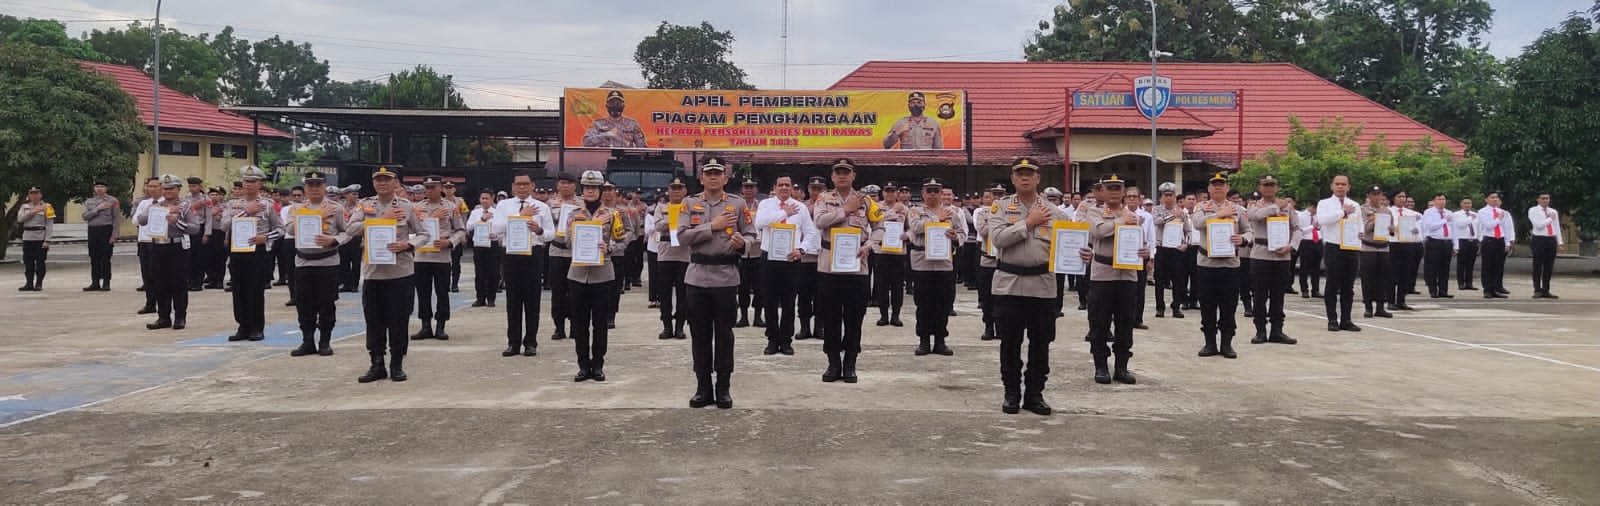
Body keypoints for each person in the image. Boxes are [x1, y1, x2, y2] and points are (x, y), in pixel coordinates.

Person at [987, 157, 1072, 415]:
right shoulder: (999, 208)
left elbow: (1067, 243)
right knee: (1010, 343)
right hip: (1009, 285)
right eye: (1019, 173)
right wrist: (1029, 223)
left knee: (1040, 344)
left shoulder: (1054, 212)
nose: (1025, 177)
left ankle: (1035, 394)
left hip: (1042, 286)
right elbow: (999, 239)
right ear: (1012, 179)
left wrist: (1080, 254)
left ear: (1038, 178)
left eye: (1030, 173)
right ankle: (1011, 392)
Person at [678, 158, 755, 408]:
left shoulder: (737, 203)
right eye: (708, 173)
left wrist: (744, 243)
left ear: (725, 178)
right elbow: (681, 236)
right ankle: (702, 387)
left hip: (726, 276)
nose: (713, 177)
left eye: (717, 173)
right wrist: (713, 226)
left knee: (724, 335)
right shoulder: (689, 203)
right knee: (699, 335)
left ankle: (723, 387)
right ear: (701, 178)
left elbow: (752, 234)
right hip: (698, 276)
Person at [346, 167, 429, 382]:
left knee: (399, 320)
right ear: (373, 183)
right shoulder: (365, 205)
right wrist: (383, 217)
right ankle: (377, 363)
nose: (382, 183)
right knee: (374, 321)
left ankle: (397, 364)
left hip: (400, 273)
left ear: (395, 183)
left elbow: (424, 234)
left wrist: (408, 244)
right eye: (378, 180)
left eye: (387, 180)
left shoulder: (406, 206)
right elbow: (350, 229)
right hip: (374, 274)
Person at [812, 158, 882, 384]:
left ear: (853, 176)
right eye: (838, 172)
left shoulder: (866, 201)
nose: (842, 176)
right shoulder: (824, 198)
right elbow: (820, 222)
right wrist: (845, 210)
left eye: (846, 172)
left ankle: (850, 362)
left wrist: (869, 245)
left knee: (854, 318)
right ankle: (833, 363)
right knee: (830, 317)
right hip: (829, 267)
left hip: (857, 267)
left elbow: (880, 227)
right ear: (832, 177)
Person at [1085, 174, 1149, 384]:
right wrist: (1121, 221)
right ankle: (1101, 365)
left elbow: (1141, 239)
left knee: (1125, 322)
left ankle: (1122, 366)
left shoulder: (1135, 216)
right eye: (1109, 188)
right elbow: (1099, 231)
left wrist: (1143, 251)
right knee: (1099, 322)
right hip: (1103, 273)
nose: (1113, 192)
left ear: (1123, 191)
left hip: (1128, 274)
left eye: (1117, 188)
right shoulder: (1094, 211)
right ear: (1101, 191)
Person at [565, 171, 627, 382]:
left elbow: (624, 241)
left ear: (601, 191)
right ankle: (583, 365)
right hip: (578, 275)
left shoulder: (614, 215)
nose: (590, 191)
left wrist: (608, 246)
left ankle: (598, 364)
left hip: (603, 275)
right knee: (580, 323)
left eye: (594, 187)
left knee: (600, 323)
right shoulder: (574, 214)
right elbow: (566, 242)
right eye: (587, 187)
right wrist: (587, 230)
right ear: (582, 190)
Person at [1189, 172, 1251, 358]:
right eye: (1214, 184)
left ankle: (1226, 343)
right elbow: (1198, 223)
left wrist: (1243, 239)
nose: (1217, 187)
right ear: (1209, 188)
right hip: (1207, 263)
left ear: (1227, 187)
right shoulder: (1202, 207)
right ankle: (1209, 343)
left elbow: (1249, 231)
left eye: (1221, 184)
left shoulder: (1238, 209)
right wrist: (1218, 215)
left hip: (1230, 264)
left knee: (1228, 305)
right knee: (1207, 305)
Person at [753, 174, 816, 356]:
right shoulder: (766, 204)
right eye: (780, 185)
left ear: (792, 188)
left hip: (791, 259)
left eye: (787, 185)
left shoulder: (801, 208)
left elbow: (810, 232)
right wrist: (784, 213)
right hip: (769, 258)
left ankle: (786, 340)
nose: (784, 188)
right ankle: (772, 340)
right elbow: (760, 223)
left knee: (789, 302)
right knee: (769, 301)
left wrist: (802, 249)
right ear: (774, 187)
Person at [284, 171, 346, 356]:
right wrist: (316, 215)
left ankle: (325, 341)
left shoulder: (336, 208)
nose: (314, 188)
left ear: (324, 187)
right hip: (303, 262)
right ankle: (307, 341)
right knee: (304, 304)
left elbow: (346, 232)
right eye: (310, 185)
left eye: (318, 184)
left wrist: (333, 240)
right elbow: (289, 230)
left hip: (327, 262)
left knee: (326, 303)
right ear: (305, 188)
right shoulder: (296, 209)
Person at [494, 172, 556, 356]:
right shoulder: (504, 205)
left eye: (525, 184)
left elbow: (551, 233)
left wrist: (539, 230)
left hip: (533, 253)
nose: (522, 187)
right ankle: (513, 342)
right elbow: (496, 229)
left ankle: (531, 342)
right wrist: (521, 216)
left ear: (532, 186)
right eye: (518, 184)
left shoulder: (541, 207)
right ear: (513, 187)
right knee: (513, 300)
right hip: (511, 253)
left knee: (532, 300)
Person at [906, 177, 966, 356]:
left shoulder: (951, 213)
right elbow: (915, 228)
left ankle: (940, 340)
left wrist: (955, 237)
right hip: (922, 262)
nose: (932, 194)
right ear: (923, 193)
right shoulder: (915, 211)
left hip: (944, 263)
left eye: (936, 191)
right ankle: (924, 340)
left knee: (943, 303)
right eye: (929, 191)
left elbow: (962, 233)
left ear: (941, 194)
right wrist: (935, 218)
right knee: (923, 304)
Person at [224, 166, 285, 342]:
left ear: (260, 184)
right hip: (238, 250)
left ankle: (257, 327)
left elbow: (280, 229)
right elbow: (224, 226)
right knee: (238, 289)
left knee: (255, 290)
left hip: (258, 251)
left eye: (253, 181)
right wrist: (246, 212)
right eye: (246, 181)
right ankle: (242, 326)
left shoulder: (267, 205)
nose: (249, 184)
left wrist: (265, 237)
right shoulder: (233, 204)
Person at [134, 175, 197, 328]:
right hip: (157, 246)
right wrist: (153, 210)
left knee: (178, 283)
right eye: (165, 188)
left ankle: (180, 317)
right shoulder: (156, 204)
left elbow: (194, 228)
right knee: (159, 283)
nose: (168, 191)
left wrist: (177, 221)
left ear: (178, 189)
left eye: (171, 188)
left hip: (176, 246)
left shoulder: (185, 206)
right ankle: (163, 317)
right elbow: (141, 220)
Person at [1246, 175, 1302, 344]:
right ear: (1260, 187)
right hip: (1261, 254)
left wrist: (1291, 246)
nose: (1269, 188)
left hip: (1282, 255)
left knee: (1278, 294)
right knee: (1260, 294)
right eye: (1266, 185)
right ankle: (1260, 330)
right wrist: (1275, 207)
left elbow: (1297, 229)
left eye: (1272, 185)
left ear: (1277, 187)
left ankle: (1277, 330)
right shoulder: (1254, 206)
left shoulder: (1288, 208)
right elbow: (1255, 217)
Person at [409, 176, 466, 340]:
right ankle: (425, 325)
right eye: (426, 187)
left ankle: (441, 325)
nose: (429, 190)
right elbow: (412, 230)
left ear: (440, 188)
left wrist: (449, 242)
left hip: (441, 256)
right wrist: (433, 216)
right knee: (423, 292)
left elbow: (460, 230)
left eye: (433, 187)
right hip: (421, 256)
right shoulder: (417, 208)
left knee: (442, 292)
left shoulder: (451, 207)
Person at [1315, 176, 1363, 332]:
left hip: (1351, 247)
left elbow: (1359, 225)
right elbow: (1322, 220)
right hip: (1334, 246)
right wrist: (1342, 212)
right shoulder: (1325, 203)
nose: (1340, 187)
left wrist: (1360, 237)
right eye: (1337, 184)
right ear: (1332, 186)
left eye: (1343, 184)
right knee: (1332, 284)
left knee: (1348, 286)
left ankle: (1346, 319)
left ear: (1348, 187)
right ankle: (1332, 319)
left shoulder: (1355, 205)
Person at [546, 173, 584, 341]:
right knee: (558, 291)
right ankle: (559, 326)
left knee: (576, 291)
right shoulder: (549, 204)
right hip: (556, 250)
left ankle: (575, 326)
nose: (566, 186)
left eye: (569, 183)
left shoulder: (582, 204)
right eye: (563, 183)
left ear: (574, 186)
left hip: (575, 252)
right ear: (557, 185)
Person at [651, 179, 691, 340]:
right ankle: (667, 326)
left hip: (684, 254)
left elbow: (693, 226)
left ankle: (680, 326)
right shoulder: (661, 207)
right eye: (673, 188)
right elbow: (658, 226)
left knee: (683, 294)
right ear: (668, 190)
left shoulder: (689, 207)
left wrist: (675, 221)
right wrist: (676, 219)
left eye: (679, 188)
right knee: (665, 293)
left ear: (685, 191)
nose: (676, 191)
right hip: (665, 254)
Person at [793, 176, 828, 342]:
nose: (816, 192)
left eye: (820, 189)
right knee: (804, 295)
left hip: (822, 256)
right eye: (814, 189)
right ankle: (805, 326)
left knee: (821, 295)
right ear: (808, 189)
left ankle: (819, 326)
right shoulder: (801, 207)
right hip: (805, 257)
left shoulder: (828, 207)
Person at [872, 181, 910, 327]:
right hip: (881, 251)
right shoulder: (876, 208)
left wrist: (906, 235)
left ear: (897, 193)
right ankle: (883, 315)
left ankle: (895, 315)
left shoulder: (905, 210)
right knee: (881, 285)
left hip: (898, 252)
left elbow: (911, 228)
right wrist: (893, 211)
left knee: (897, 285)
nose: (890, 194)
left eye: (892, 191)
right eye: (887, 191)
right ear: (883, 193)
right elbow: (875, 224)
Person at [1151, 183, 1190, 319]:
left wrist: (1185, 244)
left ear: (1174, 196)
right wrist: (1172, 216)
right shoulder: (1156, 209)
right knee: (1159, 279)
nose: (1168, 198)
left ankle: (1176, 306)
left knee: (1178, 280)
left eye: (1171, 195)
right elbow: (1156, 222)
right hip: (1161, 248)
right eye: (1165, 195)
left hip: (1176, 249)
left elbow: (1188, 231)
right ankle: (1160, 307)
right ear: (1161, 197)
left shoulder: (1182, 212)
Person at [1359, 186, 1396, 320]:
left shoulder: (1386, 211)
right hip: (1368, 246)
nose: (1376, 197)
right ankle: (1368, 306)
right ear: (1368, 195)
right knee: (1368, 278)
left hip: (1383, 246)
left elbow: (1391, 229)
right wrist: (1373, 221)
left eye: (1379, 194)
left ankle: (1380, 307)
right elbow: (1362, 228)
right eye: (1373, 194)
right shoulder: (1362, 210)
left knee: (1383, 278)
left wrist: (1392, 228)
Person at [974, 185, 1005, 340]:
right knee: (987, 297)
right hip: (987, 260)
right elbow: (983, 231)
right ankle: (988, 326)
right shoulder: (983, 213)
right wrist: (997, 219)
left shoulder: (1011, 212)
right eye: (995, 194)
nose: (998, 197)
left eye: (1001, 194)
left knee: (1002, 298)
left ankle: (1000, 327)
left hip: (1004, 261)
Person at [736, 178, 765, 328]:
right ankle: (743, 317)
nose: (748, 190)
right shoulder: (737, 206)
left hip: (758, 252)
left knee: (759, 287)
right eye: (746, 187)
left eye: (751, 187)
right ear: (742, 189)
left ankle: (758, 317)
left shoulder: (761, 206)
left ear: (756, 189)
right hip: (742, 252)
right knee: (742, 287)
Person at [467, 189, 503, 309]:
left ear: (492, 199)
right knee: (479, 272)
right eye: (482, 198)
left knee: (493, 272)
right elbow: (469, 227)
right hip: (479, 244)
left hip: (493, 244)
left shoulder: (498, 212)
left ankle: (491, 298)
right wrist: (482, 219)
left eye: (487, 198)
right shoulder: (475, 212)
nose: (484, 201)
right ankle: (480, 298)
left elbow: (503, 228)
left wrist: (497, 235)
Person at [81, 182, 119, 291]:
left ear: (106, 188)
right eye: (97, 186)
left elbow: (116, 218)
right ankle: (95, 282)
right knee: (94, 257)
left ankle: (106, 283)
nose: (99, 189)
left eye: (102, 186)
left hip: (106, 230)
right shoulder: (89, 201)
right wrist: (98, 208)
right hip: (93, 230)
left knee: (106, 258)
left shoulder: (113, 201)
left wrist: (114, 235)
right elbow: (85, 216)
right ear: (94, 188)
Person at [1420, 194, 1460, 299]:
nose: (1441, 201)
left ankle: (1443, 290)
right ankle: (1433, 290)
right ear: (1434, 201)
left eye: (1443, 199)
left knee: (1445, 268)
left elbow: (1454, 229)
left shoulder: (1449, 213)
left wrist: (1455, 245)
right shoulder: (1428, 212)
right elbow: (1430, 227)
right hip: (1434, 241)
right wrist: (1444, 220)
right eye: (1439, 199)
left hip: (1447, 242)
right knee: (1432, 267)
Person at [1476, 192, 1515, 298]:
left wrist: (1507, 242)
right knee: (1487, 266)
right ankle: (1487, 290)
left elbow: (1505, 228)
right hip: (1489, 239)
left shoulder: (1501, 212)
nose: (1495, 199)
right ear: (1486, 199)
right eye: (1492, 197)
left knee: (1497, 266)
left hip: (1500, 239)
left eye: (1496, 197)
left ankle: (1495, 289)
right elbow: (1489, 225)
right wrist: (1498, 218)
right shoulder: (1482, 212)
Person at [16, 187, 55, 291]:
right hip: (28, 237)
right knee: (28, 262)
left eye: (36, 193)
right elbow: (20, 219)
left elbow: (49, 224)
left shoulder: (47, 206)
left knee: (40, 262)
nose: (34, 196)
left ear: (40, 195)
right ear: (29, 195)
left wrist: (47, 240)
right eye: (32, 194)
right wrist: (32, 212)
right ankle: (29, 283)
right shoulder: (24, 207)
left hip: (40, 237)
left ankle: (38, 283)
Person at [1390, 193, 1423, 311]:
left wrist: (1415, 230)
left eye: (1403, 197)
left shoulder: (1411, 213)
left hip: (1408, 243)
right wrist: (1396, 228)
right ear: (1393, 198)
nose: (1402, 199)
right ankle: (1390, 300)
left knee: (1405, 273)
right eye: (1399, 196)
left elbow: (1417, 227)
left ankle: (1401, 300)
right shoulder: (1388, 211)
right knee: (1393, 274)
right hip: (1393, 243)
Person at [581, 89, 647, 148]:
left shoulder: (632, 124)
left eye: (618, 103)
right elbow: (586, 142)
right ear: (607, 106)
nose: (615, 105)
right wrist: (605, 135)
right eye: (612, 103)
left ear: (623, 106)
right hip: (605, 159)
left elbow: (642, 146)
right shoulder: (597, 124)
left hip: (625, 159)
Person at [1528, 193, 1564, 299]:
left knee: (1549, 266)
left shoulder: (1553, 212)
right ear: (1538, 199)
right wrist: (1549, 219)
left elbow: (1556, 227)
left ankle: (1546, 289)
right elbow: (1538, 225)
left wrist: (1559, 242)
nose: (1545, 200)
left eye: (1547, 198)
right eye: (1543, 198)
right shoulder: (1533, 210)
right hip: (1539, 239)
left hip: (1551, 239)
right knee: (1537, 265)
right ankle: (1537, 289)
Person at [134, 177, 160, 311]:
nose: (152, 189)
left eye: (155, 186)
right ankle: (150, 303)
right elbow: (135, 221)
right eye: (150, 186)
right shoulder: (144, 203)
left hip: (157, 241)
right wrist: (148, 210)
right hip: (144, 240)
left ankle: (161, 303)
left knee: (157, 273)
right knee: (147, 274)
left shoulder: (165, 203)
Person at [444, 181, 469, 292]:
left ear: (454, 189)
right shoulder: (441, 202)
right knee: (445, 262)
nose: (448, 190)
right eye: (446, 187)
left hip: (456, 234)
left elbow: (464, 217)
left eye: (450, 187)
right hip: (445, 235)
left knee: (456, 261)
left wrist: (463, 234)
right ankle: (446, 283)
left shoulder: (460, 201)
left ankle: (455, 284)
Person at [338, 188, 364, 293]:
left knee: (356, 262)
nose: (356, 196)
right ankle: (346, 284)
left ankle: (354, 284)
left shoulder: (361, 206)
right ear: (346, 195)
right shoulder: (340, 206)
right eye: (353, 194)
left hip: (356, 237)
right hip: (344, 236)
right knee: (344, 261)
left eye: (357, 194)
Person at [1453, 197, 1480, 292]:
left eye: (1469, 203)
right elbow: (1460, 225)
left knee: (1470, 264)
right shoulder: (1457, 214)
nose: (1467, 205)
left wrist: (1478, 239)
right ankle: (1461, 283)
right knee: (1461, 263)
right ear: (1461, 204)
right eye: (1465, 203)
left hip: (1473, 240)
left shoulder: (1475, 215)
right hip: (1462, 240)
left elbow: (1478, 228)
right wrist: (1469, 218)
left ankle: (1469, 283)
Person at [1296, 202, 1323, 298]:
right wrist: (1312, 227)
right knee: (1304, 267)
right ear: (1311, 207)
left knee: (1316, 268)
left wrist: (1319, 227)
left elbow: (1321, 228)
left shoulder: (1318, 216)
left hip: (1318, 241)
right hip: (1306, 242)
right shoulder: (1301, 216)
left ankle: (1315, 290)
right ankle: (1304, 290)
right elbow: (1300, 230)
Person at [204, 187, 229, 289]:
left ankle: (219, 280)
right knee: (209, 258)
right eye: (212, 195)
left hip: (221, 233)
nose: (214, 197)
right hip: (209, 233)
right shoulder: (206, 206)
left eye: (216, 194)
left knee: (220, 258)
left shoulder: (225, 206)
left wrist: (226, 238)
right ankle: (212, 279)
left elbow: (227, 222)